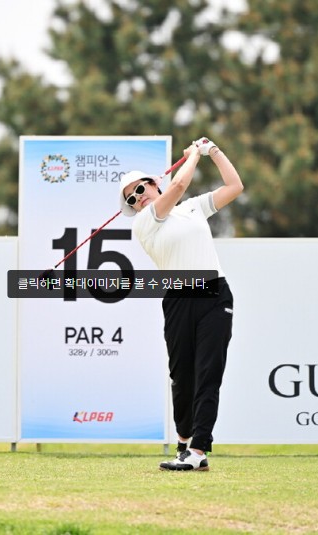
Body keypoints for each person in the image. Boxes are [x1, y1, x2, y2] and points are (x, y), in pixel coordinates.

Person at [119, 138, 244, 471]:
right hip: (178, 298)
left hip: (214, 293)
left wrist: (213, 151)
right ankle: (184, 445)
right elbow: (178, 185)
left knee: (208, 373)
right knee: (182, 377)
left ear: (153, 183)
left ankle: (198, 451)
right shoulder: (143, 223)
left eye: (140, 188)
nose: (137, 197)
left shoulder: (192, 208)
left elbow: (234, 186)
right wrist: (193, 156)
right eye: (131, 198)